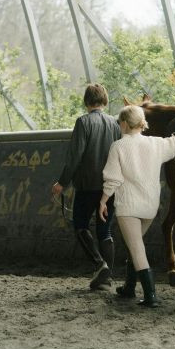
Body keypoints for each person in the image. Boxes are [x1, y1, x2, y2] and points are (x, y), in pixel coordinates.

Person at [99, 105, 175, 307]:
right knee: (135, 246)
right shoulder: (156, 143)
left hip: (129, 207)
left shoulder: (118, 146)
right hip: (150, 207)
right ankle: (128, 288)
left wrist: (103, 201)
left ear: (124, 124)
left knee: (137, 249)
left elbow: (113, 179)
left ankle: (151, 296)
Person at [51, 83, 122, 290]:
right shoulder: (115, 124)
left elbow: (74, 157)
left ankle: (100, 264)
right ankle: (107, 278)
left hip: (87, 186)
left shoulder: (83, 122)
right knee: (105, 231)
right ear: (104, 100)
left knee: (80, 225)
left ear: (86, 101)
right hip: (109, 187)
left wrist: (62, 183)